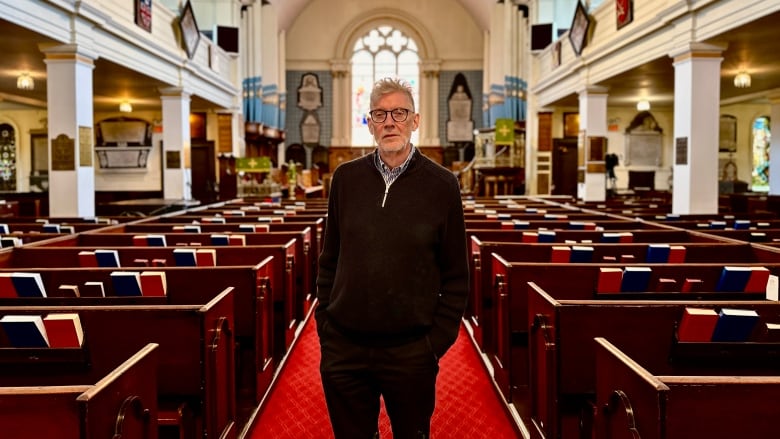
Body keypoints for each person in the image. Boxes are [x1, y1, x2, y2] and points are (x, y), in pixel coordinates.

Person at [315, 77, 470, 439]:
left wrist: (435, 344)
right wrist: (327, 327)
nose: (389, 122)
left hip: (411, 351)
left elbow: (456, 274)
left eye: (399, 113)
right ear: (369, 123)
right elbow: (329, 259)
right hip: (345, 348)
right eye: (380, 114)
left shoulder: (442, 185)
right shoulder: (345, 179)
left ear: (415, 121)